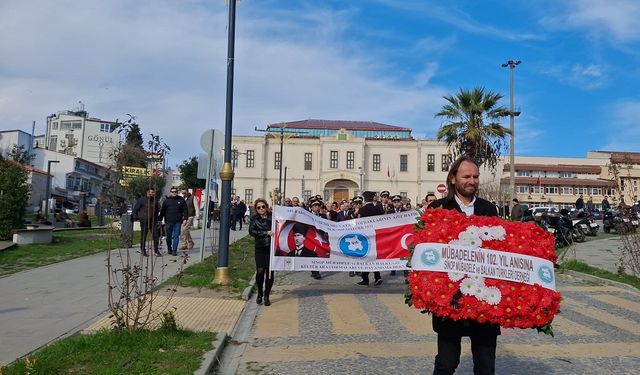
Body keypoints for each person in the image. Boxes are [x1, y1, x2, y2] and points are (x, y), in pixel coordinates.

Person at [427, 155, 500, 375]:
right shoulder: (438, 208)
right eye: (466, 176)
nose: (472, 181)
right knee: (446, 364)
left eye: (476, 176)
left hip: (485, 298)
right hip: (450, 299)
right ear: (452, 179)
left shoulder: (489, 209)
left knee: (486, 366)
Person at [249, 198, 274, 306]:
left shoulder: (272, 217)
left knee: (269, 273)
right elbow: (252, 231)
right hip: (260, 247)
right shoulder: (254, 219)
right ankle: (260, 291)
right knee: (260, 271)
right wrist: (266, 232)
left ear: (266, 207)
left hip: (271, 248)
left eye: (263, 206)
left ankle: (267, 295)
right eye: (259, 207)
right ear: (256, 209)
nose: (261, 209)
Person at [357, 191, 384, 286]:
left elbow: (359, 223)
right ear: (373, 198)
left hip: (365, 236)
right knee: (374, 257)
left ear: (364, 199)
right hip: (376, 235)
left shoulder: (362, 210)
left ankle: (366, 279)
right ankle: (377, 277)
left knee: (366, 257)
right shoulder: (377, 209)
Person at [132, 187, 162, 256]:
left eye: (153, 192)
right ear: (147, 192)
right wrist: (135, 217)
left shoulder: (155, 201)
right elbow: (135, 209)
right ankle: (143, 250)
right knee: (144, 236)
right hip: (144, 221)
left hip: (153, 221)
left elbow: (158, 210)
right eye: (150, 192)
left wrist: (159, 219)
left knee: (156, 235)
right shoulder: (142, 200)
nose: (151, 194)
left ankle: (156, 251)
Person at [159, 187, 188, 256]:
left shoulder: (181, 200)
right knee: (168, 236)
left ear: (177, 192)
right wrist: (159, 219)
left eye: (175, 192)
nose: (174, 193)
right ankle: (169, 249)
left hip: (177, 222)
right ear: (170, 192)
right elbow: (162, 211)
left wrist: (185, 219)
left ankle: (174, 250)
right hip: (168, 222)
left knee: (176, 236)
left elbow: (185, 210)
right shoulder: (166, 201)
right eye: (172, 192)